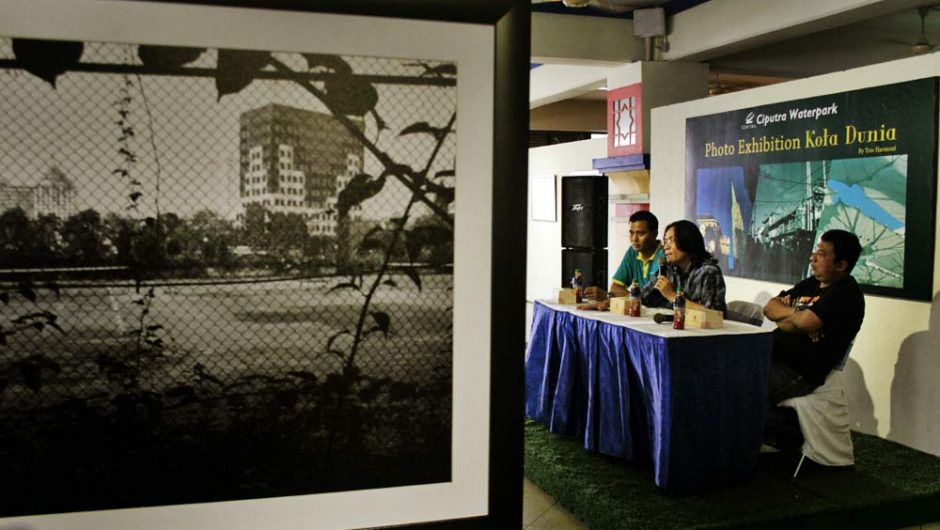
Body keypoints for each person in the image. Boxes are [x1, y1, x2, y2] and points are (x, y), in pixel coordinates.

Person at [763, 229, 865, 406]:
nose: (813, 258)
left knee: (739, 384)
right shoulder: (811, 283)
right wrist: (798, 313)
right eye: (815, 252)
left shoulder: (846, 292)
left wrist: (790, 314)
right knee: (724, 369)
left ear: (840, 265)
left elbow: (805, 322)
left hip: (799, 372)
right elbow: (769, 308)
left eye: (822, 254)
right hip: (771, 355)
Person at [582, 210, 664, 311]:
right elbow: (616, 287)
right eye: (631, 233)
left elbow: (648, 298)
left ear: (654, 234)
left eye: (640, 234)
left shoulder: (664, 256)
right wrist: (612, 295)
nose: (634, 239)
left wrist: (608, 296)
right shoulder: (632, 252)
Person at [647, 219, 727, 313]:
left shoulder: (708, 272)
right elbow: (642, 298)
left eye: (671, 241)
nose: (666, 247)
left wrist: (672, 296)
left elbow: (713, 314)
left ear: (687, 241)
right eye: (665, 241)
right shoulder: (669, 269)